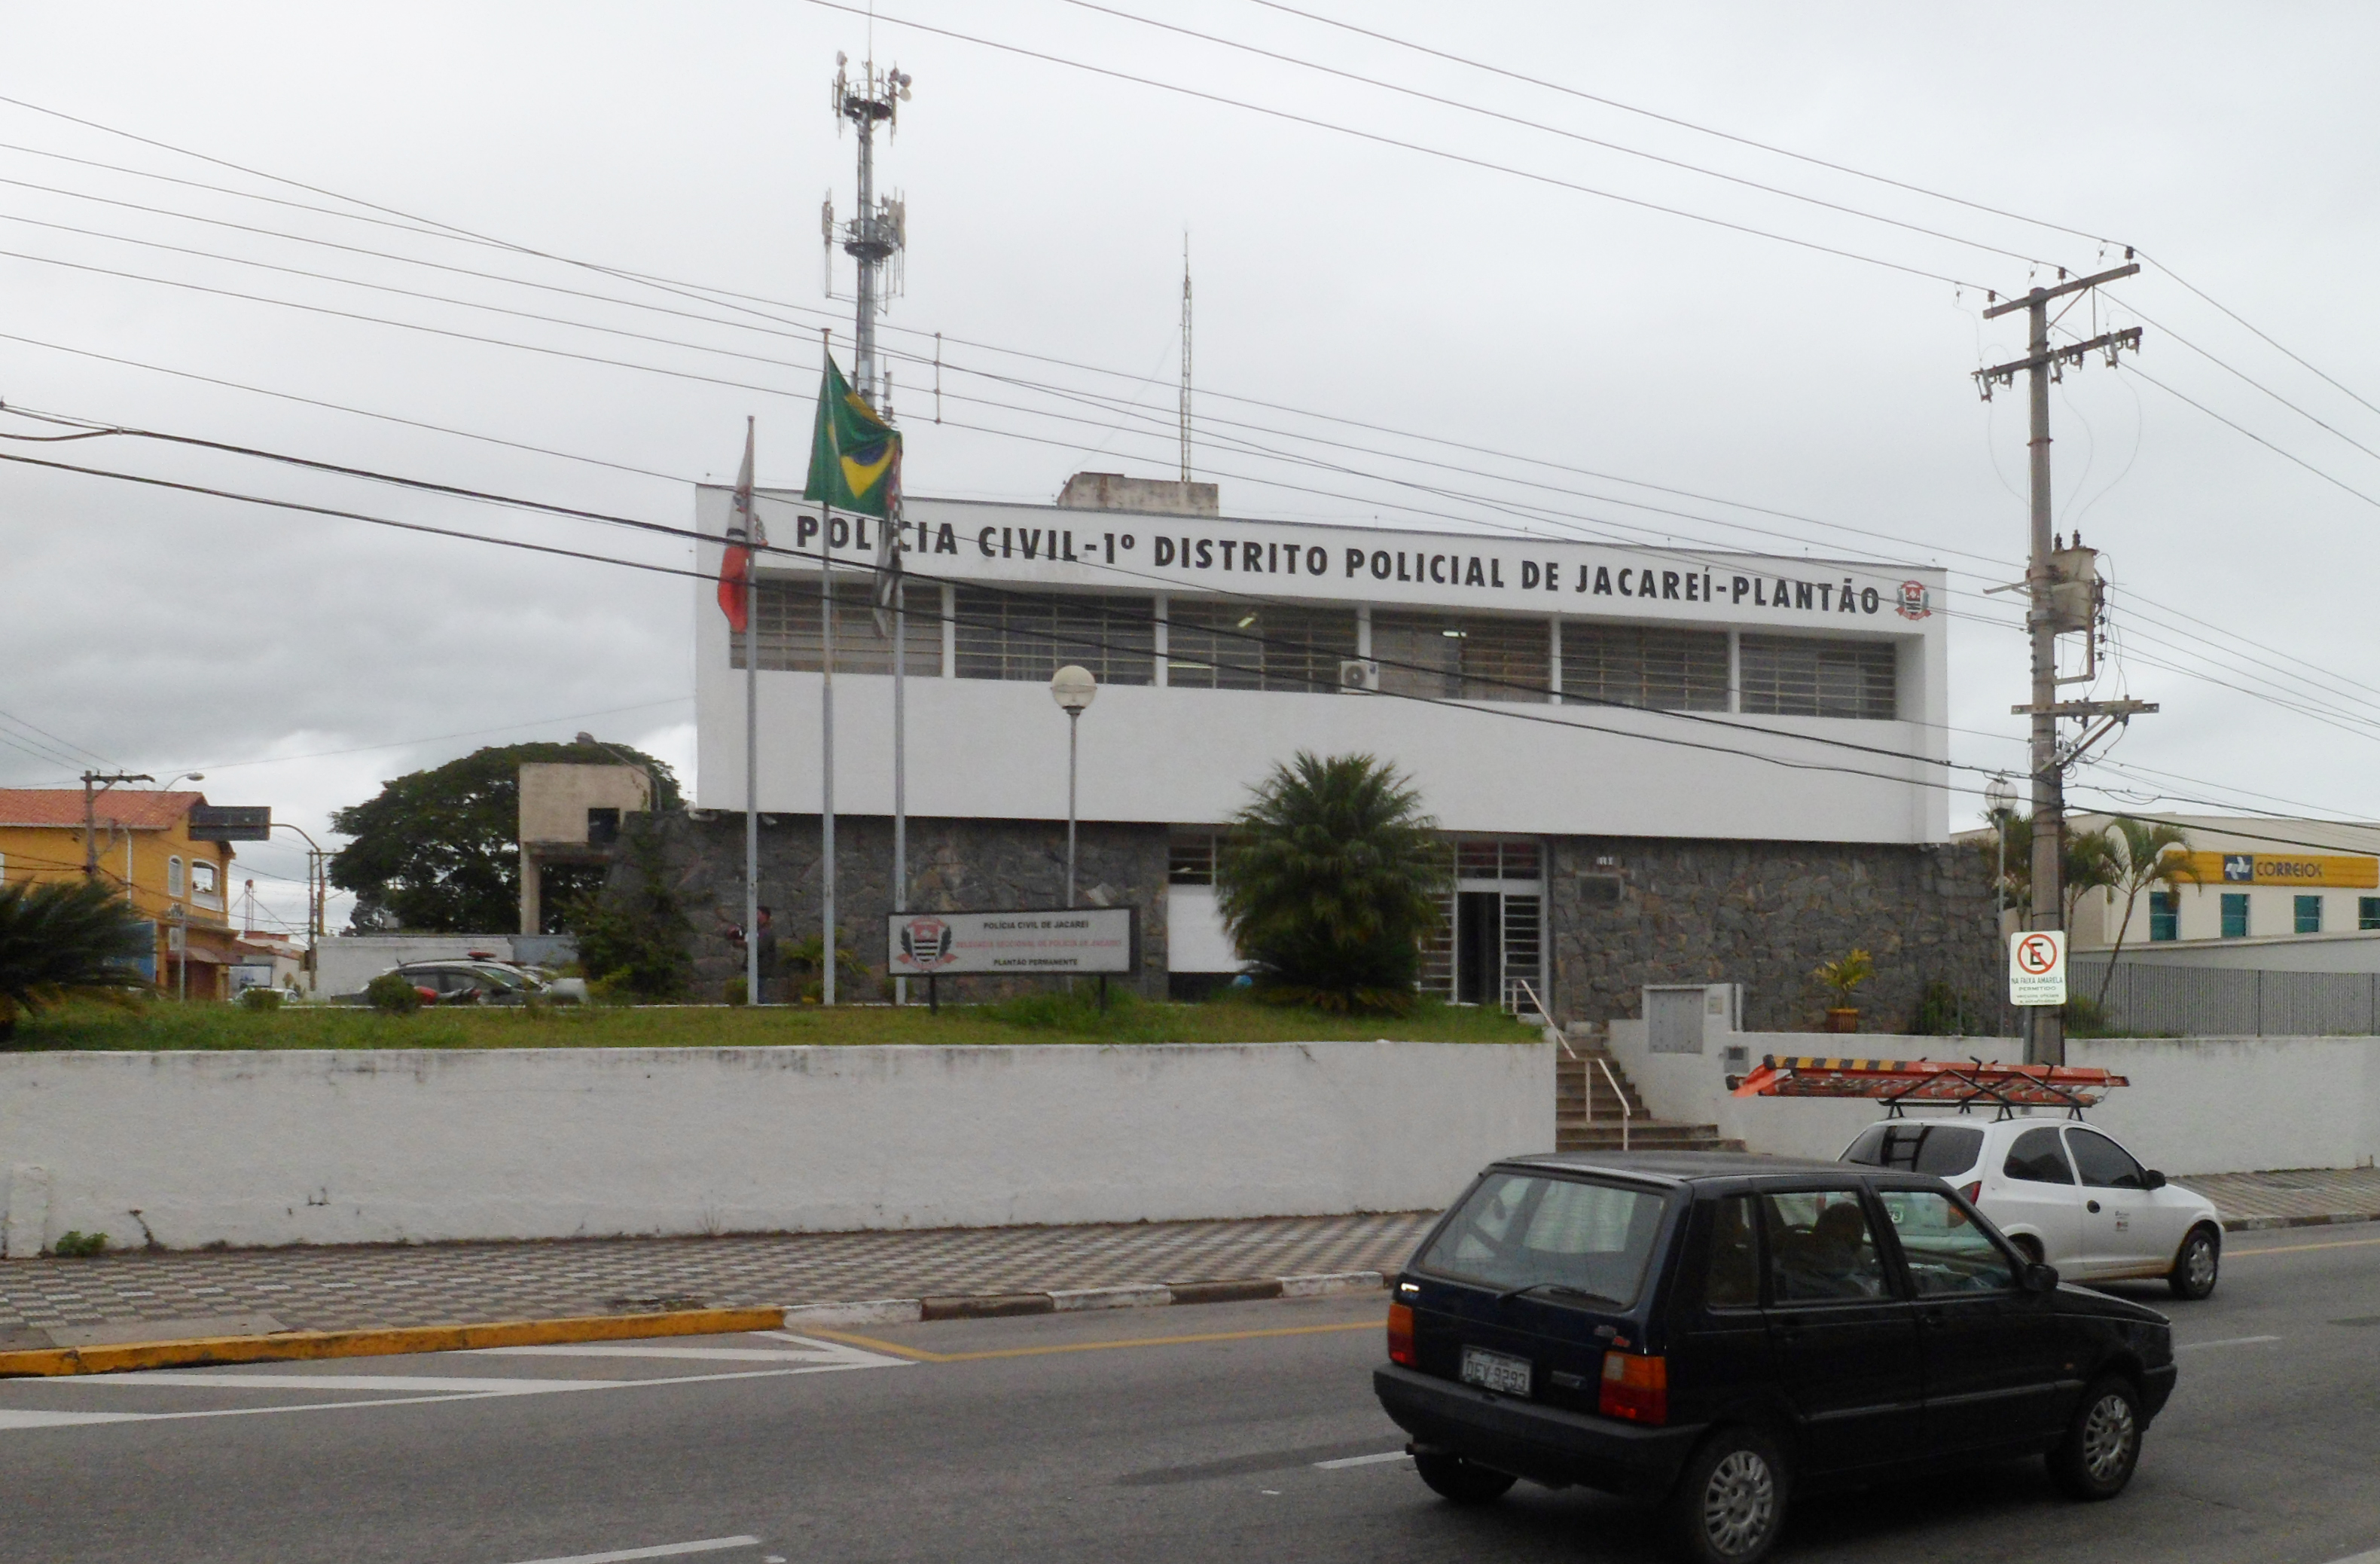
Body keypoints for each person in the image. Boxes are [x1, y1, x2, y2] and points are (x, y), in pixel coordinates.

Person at [729, 906, 781, 1003]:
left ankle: (770, 1011)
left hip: (761, 969)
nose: (755, 916)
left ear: (764, 915)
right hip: (754, 968)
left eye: (758, 913)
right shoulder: (758, 930)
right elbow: (747, 940)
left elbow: (758, 948)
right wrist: (736, 936)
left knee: (757, 996)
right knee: (755, 995)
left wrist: (741, 943)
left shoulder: (766, 932)